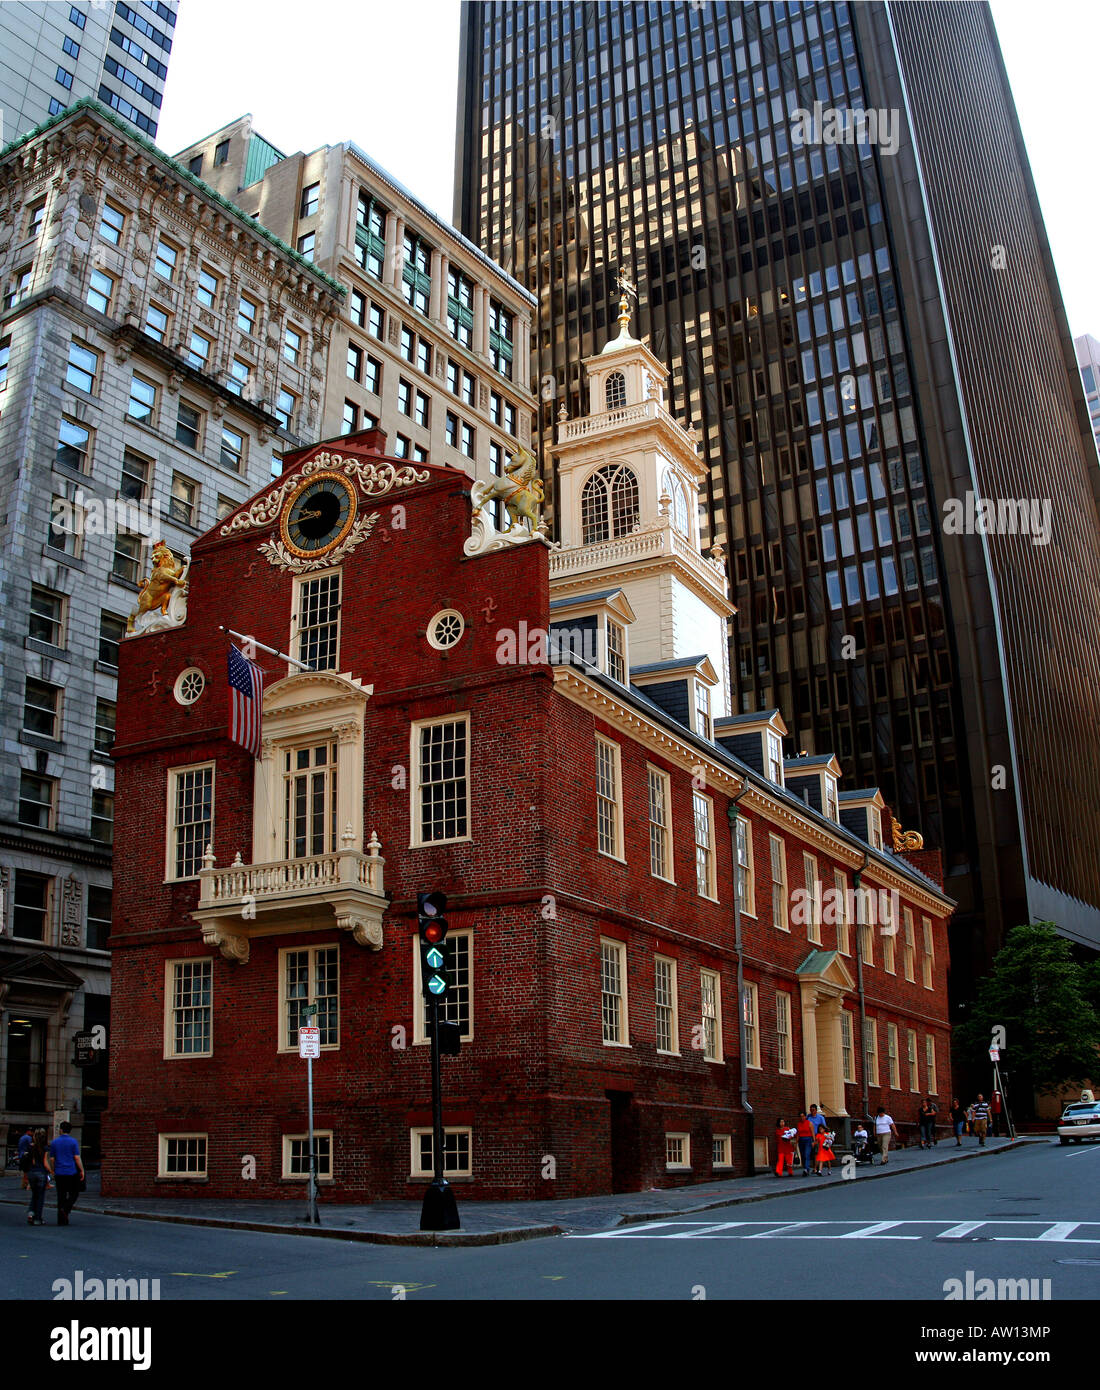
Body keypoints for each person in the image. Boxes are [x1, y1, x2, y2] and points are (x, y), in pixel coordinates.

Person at [47, 1120, 84, 1226]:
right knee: (74, 1193)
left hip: (59, 1172)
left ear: (61, 1130)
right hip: (71, 1171)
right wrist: (82, 1170)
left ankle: (61, 1219)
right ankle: (66, 1209)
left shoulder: (54, 1142)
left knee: (61, 1195)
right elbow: (76, 1157)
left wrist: (54, 1169)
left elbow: (52, 1159)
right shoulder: (73, 1142)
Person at [25, 1128, 49, 1226]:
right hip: (41, 1173)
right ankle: (37, 1219)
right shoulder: (45, 1148)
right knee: (40, 1196)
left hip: (31, 1172)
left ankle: (31, 1212)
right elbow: (45, 1162)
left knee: (34, 1194)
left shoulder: (31, 1147)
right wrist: (51, 1171)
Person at [795, 1112, 815, 1176]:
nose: (802, 1118)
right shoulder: (799, 1124)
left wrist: (813, 1141)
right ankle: (806, 1168)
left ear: (805, 1116)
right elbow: (798, 1133)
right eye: (800, 1116)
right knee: (802, 1155)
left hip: (808, 1140)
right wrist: (796, 1142)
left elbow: (812, 1133)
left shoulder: (809, 1123)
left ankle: (806, 1169)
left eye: (803, 1116)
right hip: (801, 1140)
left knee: (807, 1154)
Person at [17, 1125, 33, 1191]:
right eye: (32, 1132)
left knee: (25, 1171)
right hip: (26, 1156)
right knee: (28, 1171)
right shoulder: (28, 1138)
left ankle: (24, 1184)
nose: (32, 1133)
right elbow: (30, 1146)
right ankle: (27, 1184)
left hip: (21, 1155)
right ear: (29, 1131)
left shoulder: (22, 1137)